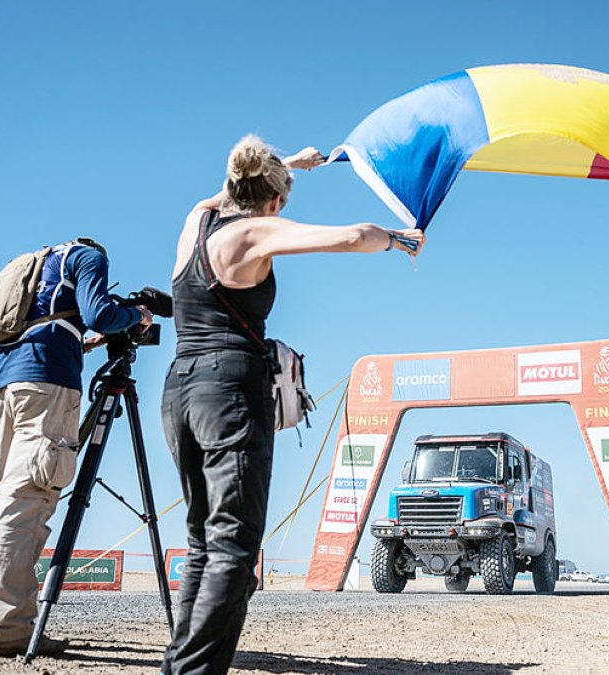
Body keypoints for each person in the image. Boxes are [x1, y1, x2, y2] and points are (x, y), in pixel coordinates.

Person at [161, 135, 424, 674]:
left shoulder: (196, 223)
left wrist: (291, 165)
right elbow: (352, 236)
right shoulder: (254, 231)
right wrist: (397, 239)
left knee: (202, 542)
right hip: (228, 387)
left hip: (179, 389)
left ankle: (180, 663)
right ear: (274, 202)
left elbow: (223, 194)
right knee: (233, 549)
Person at [0, 240, 152, 657]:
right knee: (30, 500)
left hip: (3, 384)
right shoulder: (87, 257)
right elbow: (101, 312)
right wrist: (135, 314)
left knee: (11, 501)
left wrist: (91, 340)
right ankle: (7, 626)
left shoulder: (35, 265)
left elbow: (53, 325)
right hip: (47, 382)